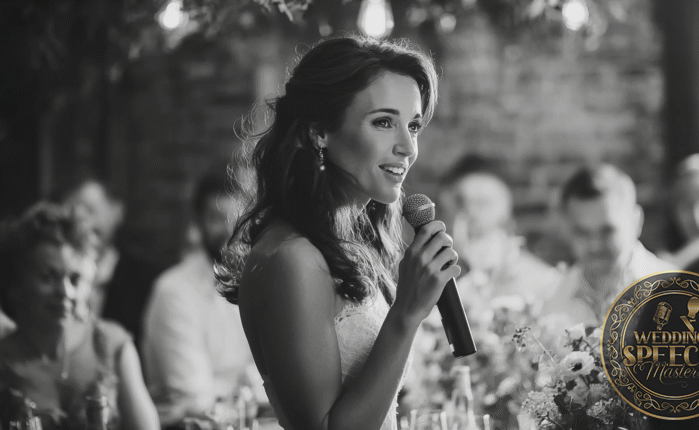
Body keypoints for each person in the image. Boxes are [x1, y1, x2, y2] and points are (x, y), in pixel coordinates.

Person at [215, 36, 459, 430]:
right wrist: (406, 314)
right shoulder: (293, 258)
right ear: (319, 131)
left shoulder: (348, 244)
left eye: (413, 126)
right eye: (384, 122)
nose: (407, 147)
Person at [0, 202, 159, 430]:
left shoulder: (111, 346)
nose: (65, 292)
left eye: (75, 279)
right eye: (48, 277)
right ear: (16, 285)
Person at [142, 168, 267, 428]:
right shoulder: (173, 291)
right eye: (217, 218)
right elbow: (194, 399)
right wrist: (250, 390)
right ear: (199, 223)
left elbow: (281, 381)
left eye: (238, 217)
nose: (230, 229)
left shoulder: (262, 282)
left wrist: (237, 392)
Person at [540, 164, 677, 326]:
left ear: (636, 221)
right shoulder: (547, 303)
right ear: (565, 228)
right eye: (582, 233)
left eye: (607, 231)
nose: (595, 245)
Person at [436, 153, 561, 312]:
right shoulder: (435, 276)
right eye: (461, 203)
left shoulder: (542, 280)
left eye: (482, 203)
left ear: (505, 211)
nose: (471, 213)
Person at [55, 175, 163, 353]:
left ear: (117, 211)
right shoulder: (56, 276)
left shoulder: (146, 278)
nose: (81, 221)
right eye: (72, 212)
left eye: (89, 209)